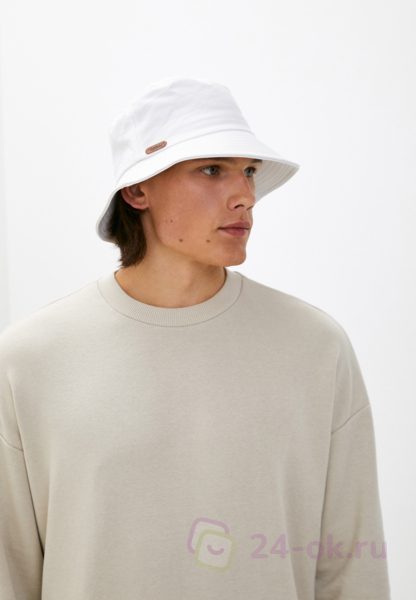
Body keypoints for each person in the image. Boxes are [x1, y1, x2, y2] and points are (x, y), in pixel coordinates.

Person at [0, 76, 391, 599]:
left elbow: (352, 568)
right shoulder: (30, 359)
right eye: (212, 170)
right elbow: (10, 572)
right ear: (137, 190)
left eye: (249, 171)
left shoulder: (315, 347)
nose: (245, 196)